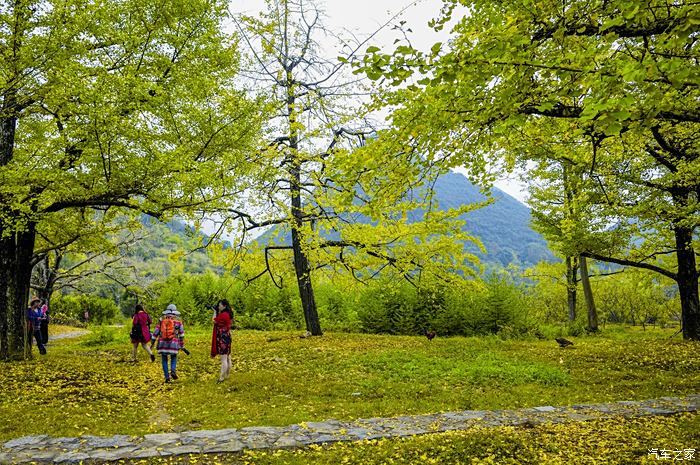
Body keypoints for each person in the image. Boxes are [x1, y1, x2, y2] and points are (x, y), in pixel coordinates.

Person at [151, 304, 185, 383]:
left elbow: (156, 332)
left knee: (164, 359)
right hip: (173, 343)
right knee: (173, 357)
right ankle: (173, 370)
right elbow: (181, 334)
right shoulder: (178, 321)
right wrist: (181, 344)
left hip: (163, 343)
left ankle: (167, 377)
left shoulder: (161, 320)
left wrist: (152, 342)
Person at [210, 299, 233, 383]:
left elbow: (214, 320)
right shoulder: (228, 314)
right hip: (227, 337)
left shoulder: (223, 315)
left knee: (223, 359)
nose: (218, 306)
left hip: (222, 338)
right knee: (228, 357)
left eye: (220, 305)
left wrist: (215, 312)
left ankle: (221, 378)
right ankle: (227, 376)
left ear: (224, 306)